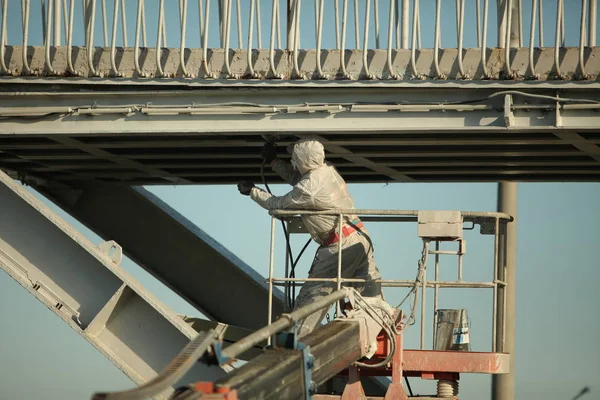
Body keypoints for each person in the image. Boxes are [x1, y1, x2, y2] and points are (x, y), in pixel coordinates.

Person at [237, 139, 383, 338]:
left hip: (338, 247)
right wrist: (274, 162)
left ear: (304, 160)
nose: (294, 162)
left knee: (310, 301)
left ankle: (295, 346)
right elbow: (299, 181)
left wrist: (253, 191)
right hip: (359, 237)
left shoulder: (309, 189)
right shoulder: (327, 170)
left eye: (295, 159)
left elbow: (278, 204)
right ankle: (380, 333)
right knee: (368, 299)